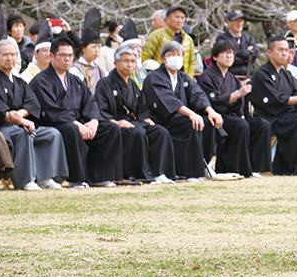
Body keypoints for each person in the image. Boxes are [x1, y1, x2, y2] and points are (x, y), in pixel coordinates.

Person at [31, 36, 122, 188]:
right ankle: (76, 178)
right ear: (51, 56)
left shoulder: (75, 80)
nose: (67, 59)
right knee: (72, 129)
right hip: (55, 123)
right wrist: (78, 125)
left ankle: (99, 177)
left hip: (78, 122)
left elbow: (89, 102)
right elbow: (50, 110)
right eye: (62, 55)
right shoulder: (41, 81)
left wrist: (93, 121)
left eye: (70, 55)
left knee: (110, 129)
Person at [0, 38, 68, 189]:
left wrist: (20, 114)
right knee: (23, 134)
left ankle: (46, 176)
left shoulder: (19, 83)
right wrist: (20, 121)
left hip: (22, 124)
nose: (10, 58)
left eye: (13, 54)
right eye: (5, 55)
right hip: (2, 128)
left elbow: (33, 104)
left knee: (52, 133)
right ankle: (25, 180)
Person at [94, 44, 176, 184]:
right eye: (126, 60)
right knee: (137, 132)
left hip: (134, 122)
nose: (130, 64)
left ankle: (159, 172)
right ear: (115, 63)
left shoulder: (132, 84)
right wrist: (116, 122)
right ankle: (139, 174)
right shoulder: (105, 83)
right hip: (115, 123)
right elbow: (100, 110)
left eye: (133, 61)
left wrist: (145, 119)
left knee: (160, 132)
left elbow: (141, 108)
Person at [143, 41, 223, 181]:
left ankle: (205, 163)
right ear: (163, 58)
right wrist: (191, 114)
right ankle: (191, 172)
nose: (176, 57)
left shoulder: (183, 77)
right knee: (191, 124)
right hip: (162, 119)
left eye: (179, 55)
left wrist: (210, 111)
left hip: (179, 119)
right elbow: (167, 100)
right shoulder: (154, 77)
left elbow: (197, 94)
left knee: (208, 121)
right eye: (172, 54)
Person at [249, 36, 297, 176]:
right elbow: (274, 99)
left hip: (288, 114)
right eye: (281, 50)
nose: (285, 53)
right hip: (272, 116)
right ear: (269, 53)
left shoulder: (286, 74)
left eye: (287, 50)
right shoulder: (261, 74)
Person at [198, 39, 272, 177]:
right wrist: (239, 93)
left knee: (262, 125)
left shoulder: (232, 78)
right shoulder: (206, 76)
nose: (229, 56)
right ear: (214, 57)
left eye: (231, 53)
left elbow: (240, 102)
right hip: (215, 116)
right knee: (240, 125)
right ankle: (232, 168)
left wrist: (242, 113)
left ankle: (255, 167)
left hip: (232, 115)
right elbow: (214, 100)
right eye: (224, 53)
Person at [142, 5, 196, 75]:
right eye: (176, 17)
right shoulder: (156, 35)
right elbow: (146, 58)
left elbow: (191, 63)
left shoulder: (188, 39)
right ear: (167, 18)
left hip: (181, 78)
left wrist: (188, 80)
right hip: (159, 76)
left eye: (182, 18)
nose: (179, 20)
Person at [69, 8, 107, 94]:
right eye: (93, 47)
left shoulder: (100, 70)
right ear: (83, 48)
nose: (97, 50)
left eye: (99, 47)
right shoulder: (76, 70)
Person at [214, 10, 259, 77]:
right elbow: (228, 59)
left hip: (248, 77)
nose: (239, 24)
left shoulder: (249, 38)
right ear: (228, 22)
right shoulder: (222, 39)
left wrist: (238, 53)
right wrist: (246, 57)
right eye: (236, 21)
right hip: (230, 77)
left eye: (241, 21)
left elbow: (254, 55)